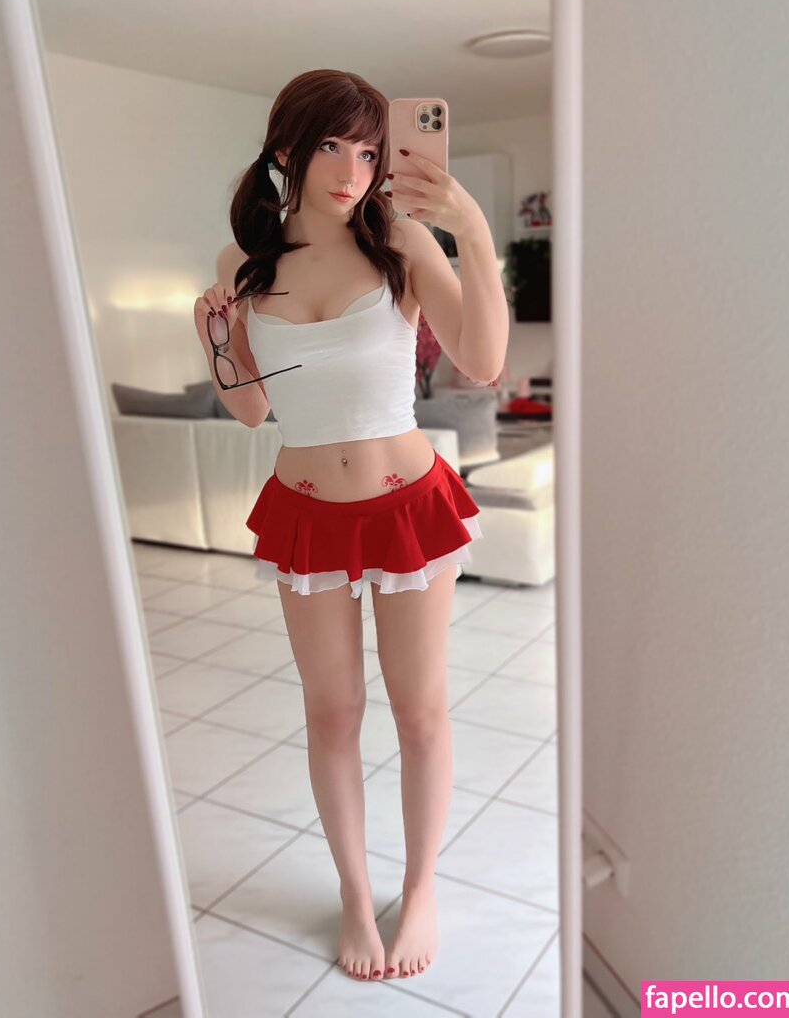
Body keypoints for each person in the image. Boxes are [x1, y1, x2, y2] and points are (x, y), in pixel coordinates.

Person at [192, 69, 508, 984]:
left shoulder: (400, 241)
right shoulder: (244, 262)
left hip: (409, 504)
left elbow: (484, 360)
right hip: (306, 512)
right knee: (331, 713)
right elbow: (252, 410)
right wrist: (212, 337)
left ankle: (421, 890)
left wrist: (473, 231)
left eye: (369, 152)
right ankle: (355, 893)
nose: (352, 171)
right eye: (332, 146)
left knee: (420, 711)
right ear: (285, 150)